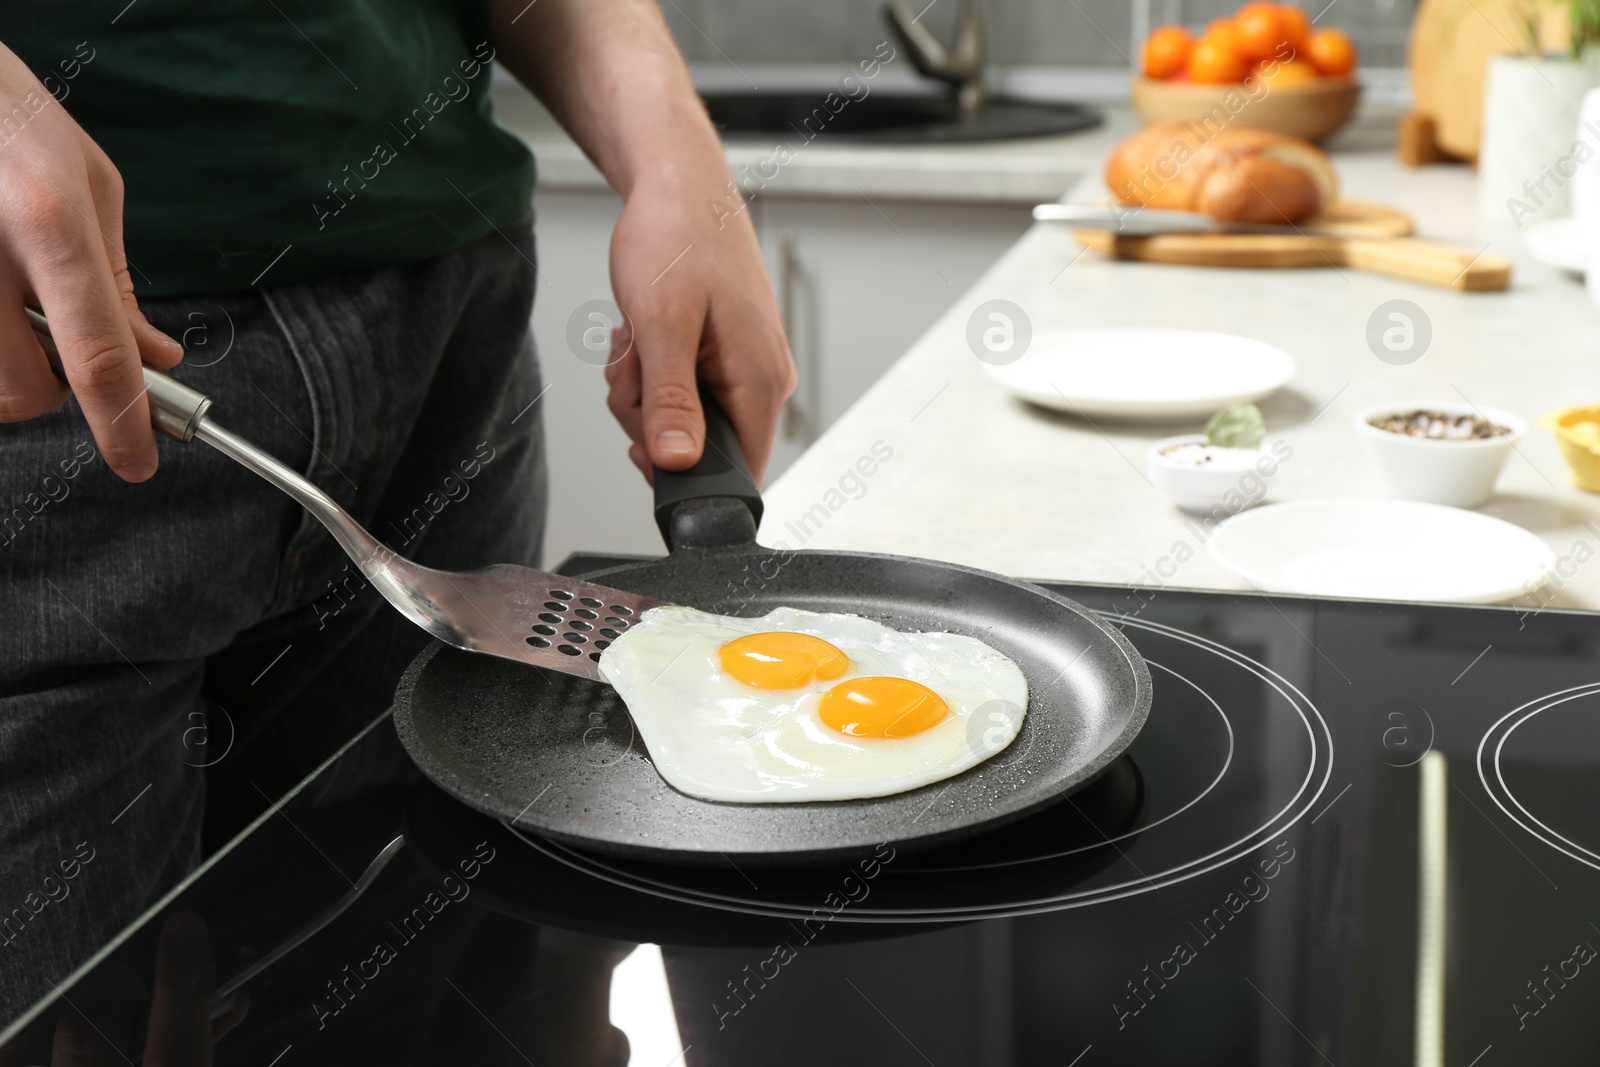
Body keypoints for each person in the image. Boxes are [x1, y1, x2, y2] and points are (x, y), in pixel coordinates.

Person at [0, 0, 794, 1022]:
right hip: (58, 362)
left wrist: (674, 154)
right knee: (64, 1019)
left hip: (453, 337)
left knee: (441, 1009)